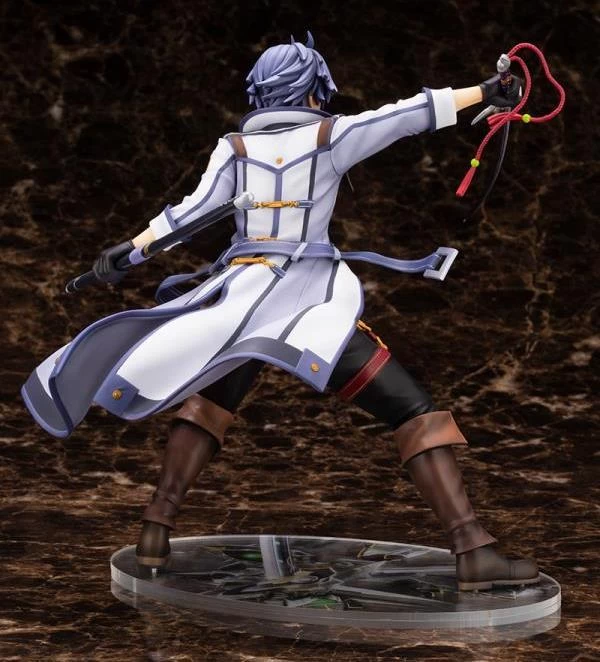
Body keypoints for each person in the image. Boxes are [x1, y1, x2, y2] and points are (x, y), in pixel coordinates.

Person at [22, 33, 538, 591]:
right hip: (304, 304)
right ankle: (471, 548)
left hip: (240, 308)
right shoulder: (329, 137)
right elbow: (406, 115)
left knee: (211, 401)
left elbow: (183, 217)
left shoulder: (235, 148)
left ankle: (154, 532)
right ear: (314, 90)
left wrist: (128, 250)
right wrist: (484, 90)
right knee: (412, 407)